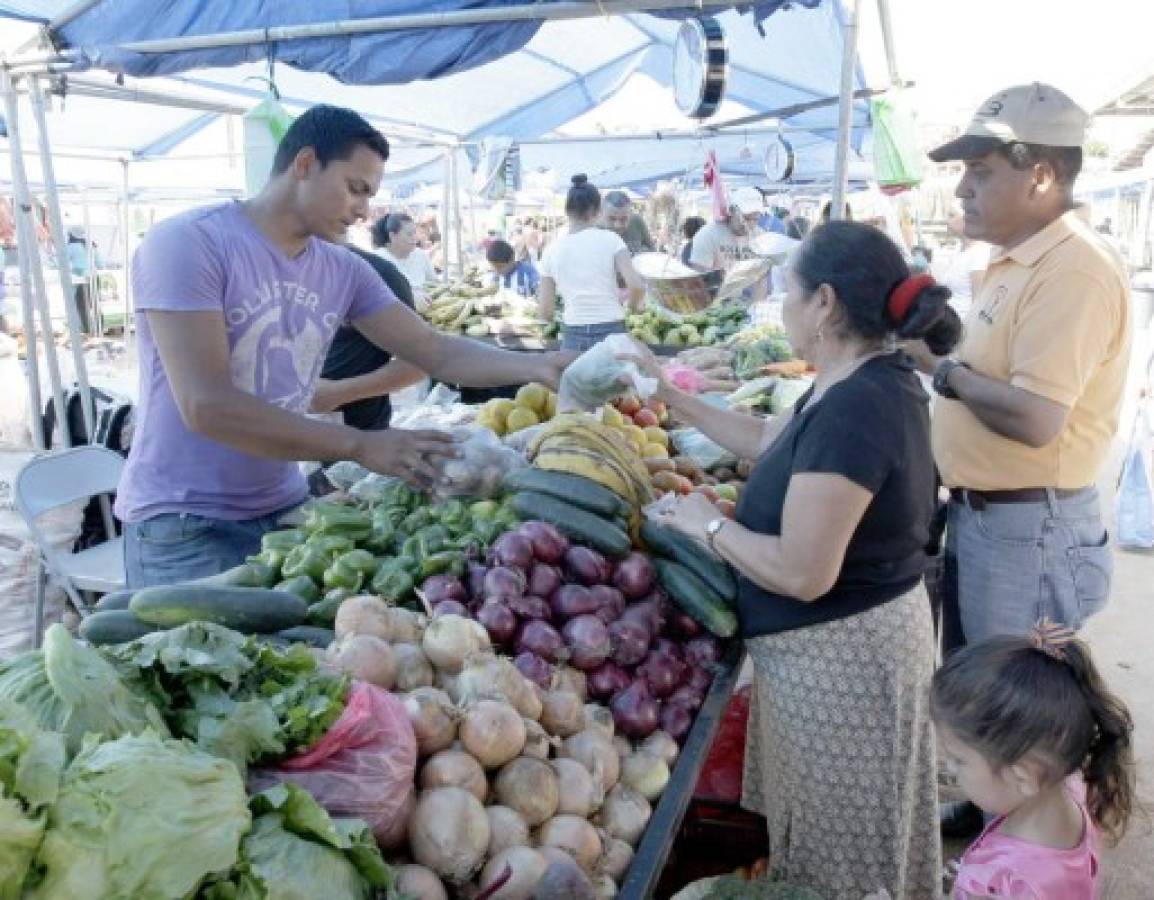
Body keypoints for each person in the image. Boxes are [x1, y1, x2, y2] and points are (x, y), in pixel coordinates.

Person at [632, 219, 962, 898]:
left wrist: (706, 525)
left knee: (845, 857)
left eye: (788, 291)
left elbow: (804, 573)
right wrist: (667, 393)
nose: (782, 307)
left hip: (845, 670)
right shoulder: (852, 381)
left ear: (825, 303)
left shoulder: (858, 407)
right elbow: (764, 438)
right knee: (835, 839)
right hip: (841, 655)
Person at [115, 104, 572, 589]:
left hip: (285, 510)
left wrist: (540, 366)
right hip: (184, 525)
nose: (363, 210)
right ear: (305, 163)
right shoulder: (189, 243)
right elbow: (206, 405)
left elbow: (434, 350)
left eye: (369, 195)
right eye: (355, 188)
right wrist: (360, 445)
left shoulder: (344, 268)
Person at [915, 83, 1130, 647]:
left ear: (1039, 176)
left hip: (1030, 534)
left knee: (1009, 697)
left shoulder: (1073, 269)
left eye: (980, 172)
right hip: (995, 522)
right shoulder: (1018, 260)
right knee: (976, 688)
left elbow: (1036, 418)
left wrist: (945, 373)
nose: (961, 189)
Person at [931, 620, 1134, 899]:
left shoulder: (1004, 881)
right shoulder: (1072, 788)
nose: (951, 768)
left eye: (959, 760)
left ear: (1023, 776)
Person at [310, 216, 428, 432]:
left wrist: (337, 392)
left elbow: (421, 362)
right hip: (276, 433)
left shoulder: (377, 273)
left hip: (354, 432)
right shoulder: (263, 269)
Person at [538, 174, 646, 351]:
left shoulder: (550, 251)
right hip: (613, 331)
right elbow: (637, 286)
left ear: (567, 211)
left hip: (573, 334)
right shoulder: (612, 240)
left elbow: (545, 313)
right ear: (598, 211)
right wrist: (634, 308)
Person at [688, 185, 767, 302]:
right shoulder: (708, 235)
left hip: (739, 300)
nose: (749, 225)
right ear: (731, 212)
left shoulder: (759, 237)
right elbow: (699, 281)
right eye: (745, 218)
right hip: (711, 301)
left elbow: (760, 279)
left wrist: (757, 307)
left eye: (755, 219)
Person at [934, 206, 988, 320]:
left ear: (968, 217)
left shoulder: (980, 254)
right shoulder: (959, 249)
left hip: (963, 324)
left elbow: (978, 303)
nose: (946, 220)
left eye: (952, 215)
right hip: (949, 323)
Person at [377, 212, 438, 310]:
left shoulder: (420, 255)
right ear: (393, 236)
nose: (415, 238)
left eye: (415, 233)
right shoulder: (379, 259)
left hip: (427, 310)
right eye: (409, 234)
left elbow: (435, 283)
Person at [66, 225, 102, 335]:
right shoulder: (91, 245)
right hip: (94, 278)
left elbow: (59, 263)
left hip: (81, 280)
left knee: (81, 306)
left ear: (71, 235)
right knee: (95, 304)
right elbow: (100, 263)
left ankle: (86, 330)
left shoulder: (71, 247)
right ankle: (99, 328)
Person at [601, 190, 654, 254]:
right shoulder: (594, 230)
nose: (618, 225)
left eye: (623, 219)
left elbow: (652, 251)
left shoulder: (636, 221)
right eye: (612, 218)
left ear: (630, 214)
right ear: (602, 214)